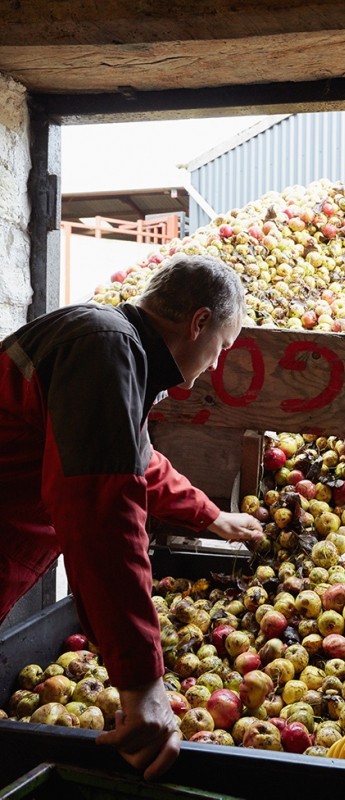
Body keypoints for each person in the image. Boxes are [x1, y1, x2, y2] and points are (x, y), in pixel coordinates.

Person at [0, 253, 263, 779]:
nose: (215, 365)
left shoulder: (111, 345)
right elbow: (104, 516)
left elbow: (136, 460)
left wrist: (211, 518)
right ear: (200, 323)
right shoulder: (104, 346)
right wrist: (143, 685)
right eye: (222, 348)